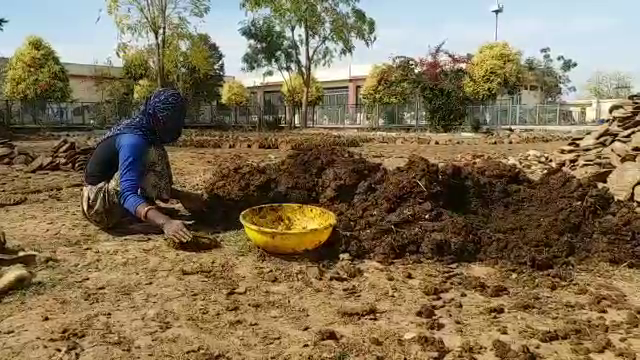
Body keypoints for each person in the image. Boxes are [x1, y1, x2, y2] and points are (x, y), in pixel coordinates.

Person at [81, 88, 194, 243]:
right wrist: (165, 223)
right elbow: (127, 193)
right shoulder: (134, 140)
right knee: (152, 154)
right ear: (157, 118)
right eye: (170, 122)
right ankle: (135, 216)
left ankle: (139, 212)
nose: (175, 127)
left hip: (109, 193)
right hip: (99, 207)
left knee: (153, 151)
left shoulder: (142, 129)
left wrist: (183, 196)